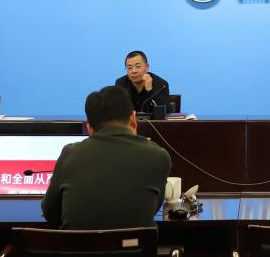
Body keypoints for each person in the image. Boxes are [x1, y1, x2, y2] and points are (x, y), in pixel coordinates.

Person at [41, 85, 172, 229]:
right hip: (134, 244)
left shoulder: (69, 154)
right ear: (133, 119)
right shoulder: (158, 156)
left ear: (89, 128)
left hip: (78, 244)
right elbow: (152, 209)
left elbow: (50, 213)